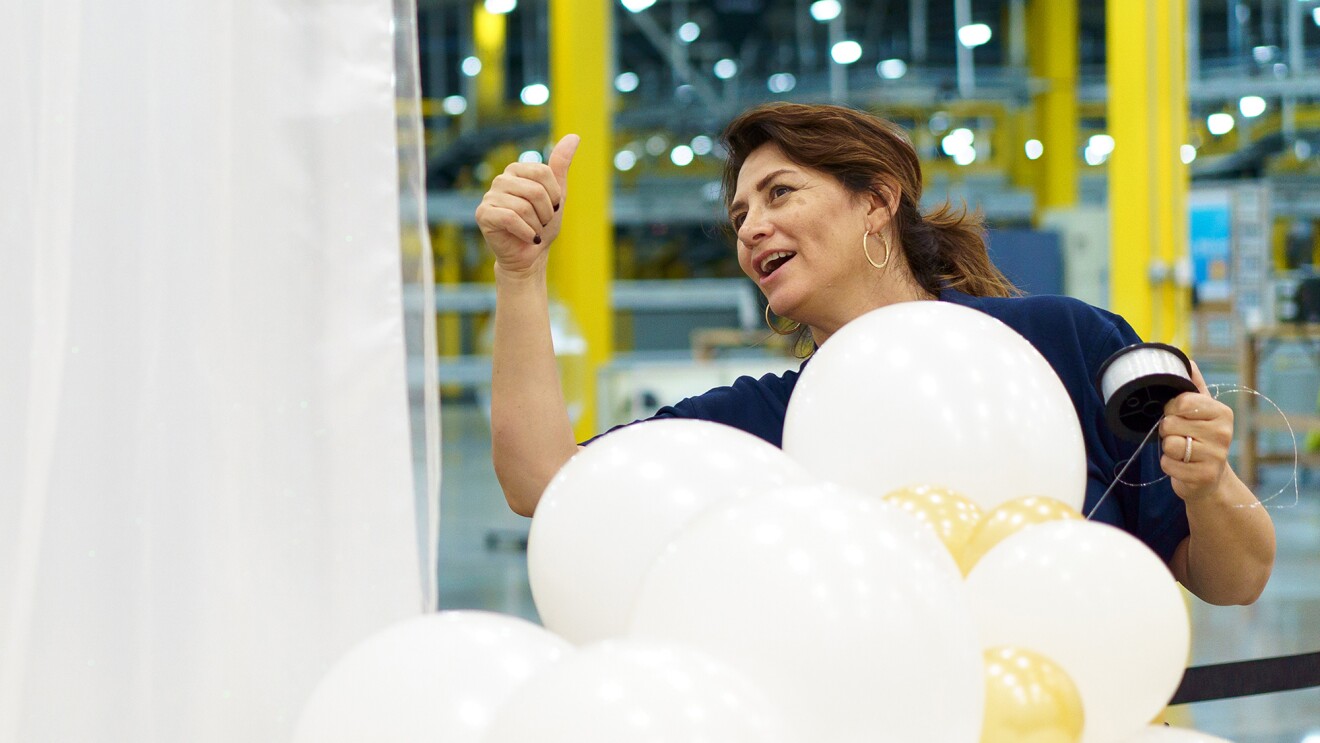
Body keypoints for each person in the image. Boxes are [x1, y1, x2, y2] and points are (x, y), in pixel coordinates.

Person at [475, 102, 1275, 606]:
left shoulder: (1065, 344)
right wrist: (521, 273)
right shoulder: (769, 418)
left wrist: (1207, 483)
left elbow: (1236, 578)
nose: (750, 226)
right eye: (740, 213)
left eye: (780, 193)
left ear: (878, 202)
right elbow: (542, 480)